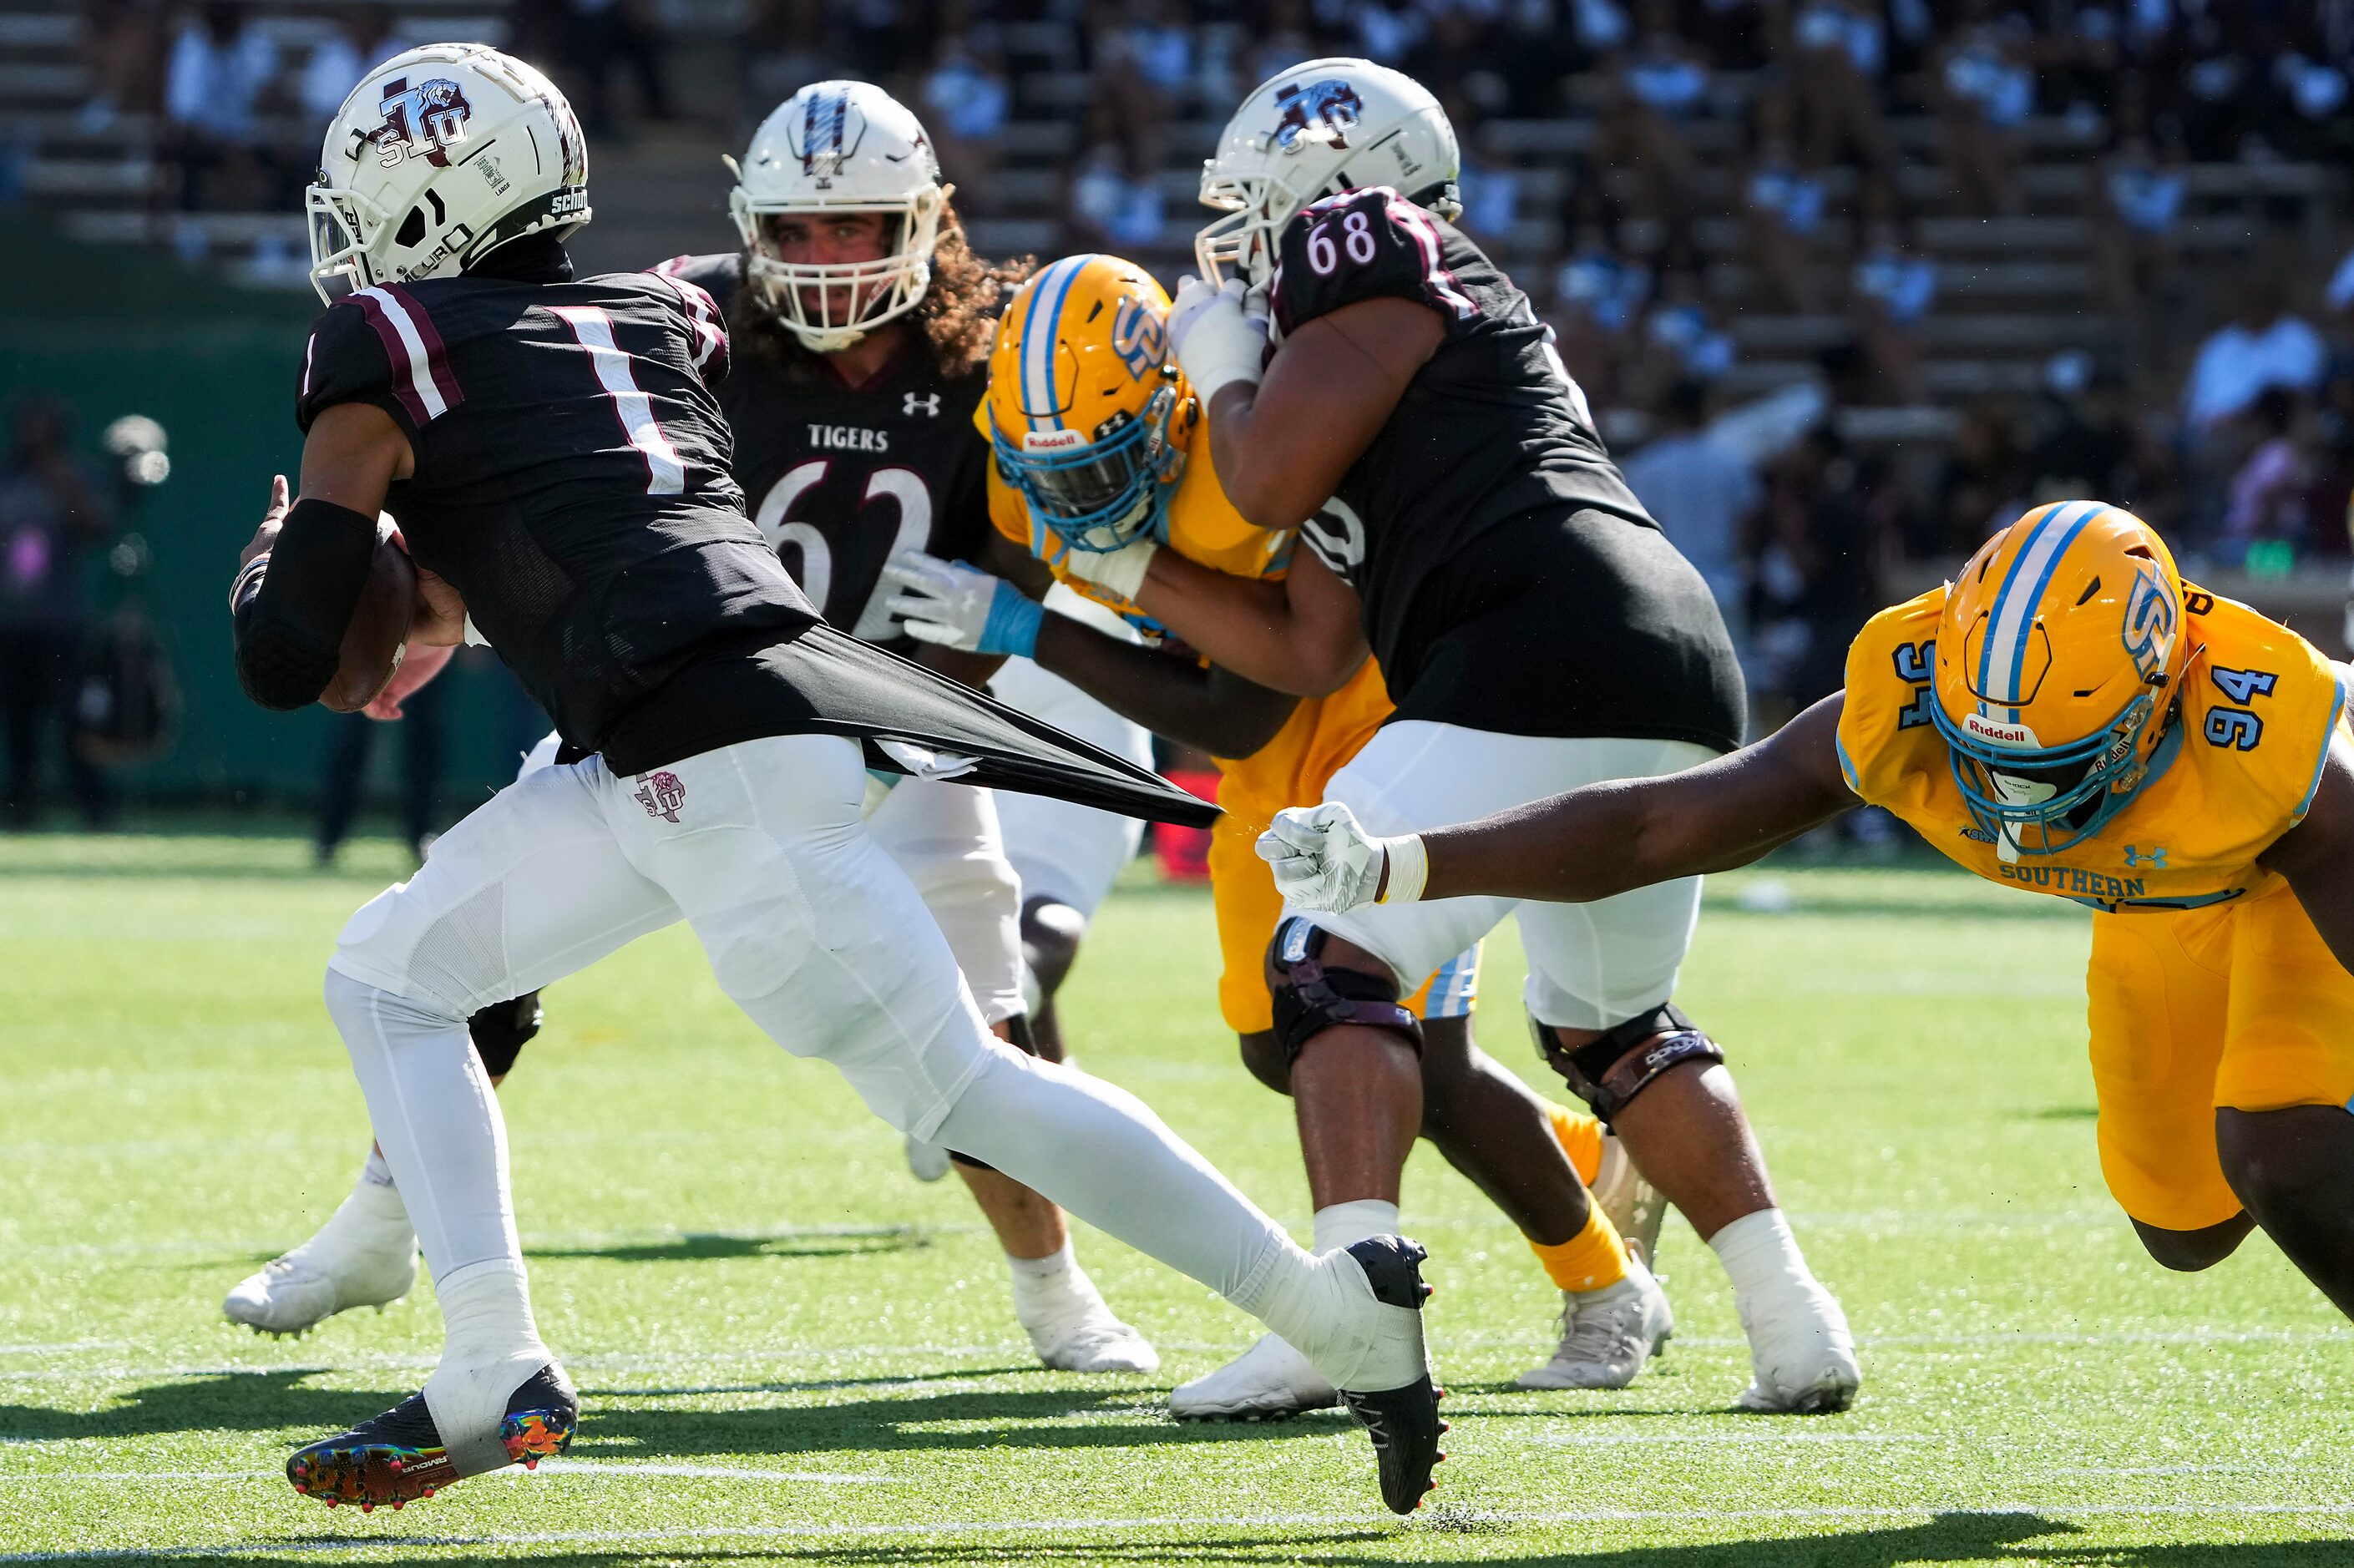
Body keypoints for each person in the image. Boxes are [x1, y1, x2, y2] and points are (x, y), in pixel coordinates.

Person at [235, 43, 1441, 1515]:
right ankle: (488, 1355)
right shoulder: (655, 306)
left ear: (427, 200)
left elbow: (289, 656)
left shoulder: (391, 334)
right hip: (700, 727)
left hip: (712, 750)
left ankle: (1331, 1314)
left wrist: (279, 557)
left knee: (970, 1084)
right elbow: (571, 494)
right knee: (391, 974)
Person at [227, 82, 1163, 1378]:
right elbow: (569, 499)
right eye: (795, 228)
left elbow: (1000, 586)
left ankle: (1055, 1293)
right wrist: (435, 603)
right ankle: (376, 1223)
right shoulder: (683, 312)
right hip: (675, 695)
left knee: (983, 1037)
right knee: (461, 958)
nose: (824, 259)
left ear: (927, 223)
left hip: (889, 725)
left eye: (856, 229)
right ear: (746, 223)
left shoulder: (991, 358)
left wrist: (916, 709)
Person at [1018, 58, 1857, 1414]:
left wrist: (1223, 366)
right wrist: (1117, 573)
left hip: (1535, 642)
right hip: (1652, 653)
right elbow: (1302, 653)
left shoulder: (1376, 247)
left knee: (1325, 945)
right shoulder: (1386, 376)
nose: (1226, 246)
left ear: (1322, 195)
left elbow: (1261, 473)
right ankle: (1789, 1318)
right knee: (1609, 1025)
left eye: (1248, 209)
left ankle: (1342, 1307)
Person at [1262, 500, 2354, 1338]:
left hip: (2288, 880)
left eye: (2051, 767)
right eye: (1989, 760)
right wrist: (1404, 863)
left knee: (2276, 1141)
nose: (2011, 803)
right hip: (2153, 903)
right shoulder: (1912, 690)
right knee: (2183, 1226)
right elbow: (1658, 828)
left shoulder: (2276, 761)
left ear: (2158, 695)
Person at [883, 253, 1674, 1411]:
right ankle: (1578, 1149)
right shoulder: (1037, 472)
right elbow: (1009, 574)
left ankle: (1604, 1289)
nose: (1071, 494)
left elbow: (1243, 695)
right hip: (1264, 779)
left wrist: (1035, 627)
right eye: (1045, 467)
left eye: (1102, 462)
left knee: (1415, 1060)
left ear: (1172, 409)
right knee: (1274, 1045)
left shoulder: (1261, 463)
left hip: (1385, 749)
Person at [0, 399, 113, 829]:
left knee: (73, 721)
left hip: (59, 623)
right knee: (18, 723)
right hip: (10, 623)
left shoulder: (74, 474)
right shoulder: (7, 478)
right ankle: (22, 809)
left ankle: (93, 809)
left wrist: (60, 479)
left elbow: (96, 526)